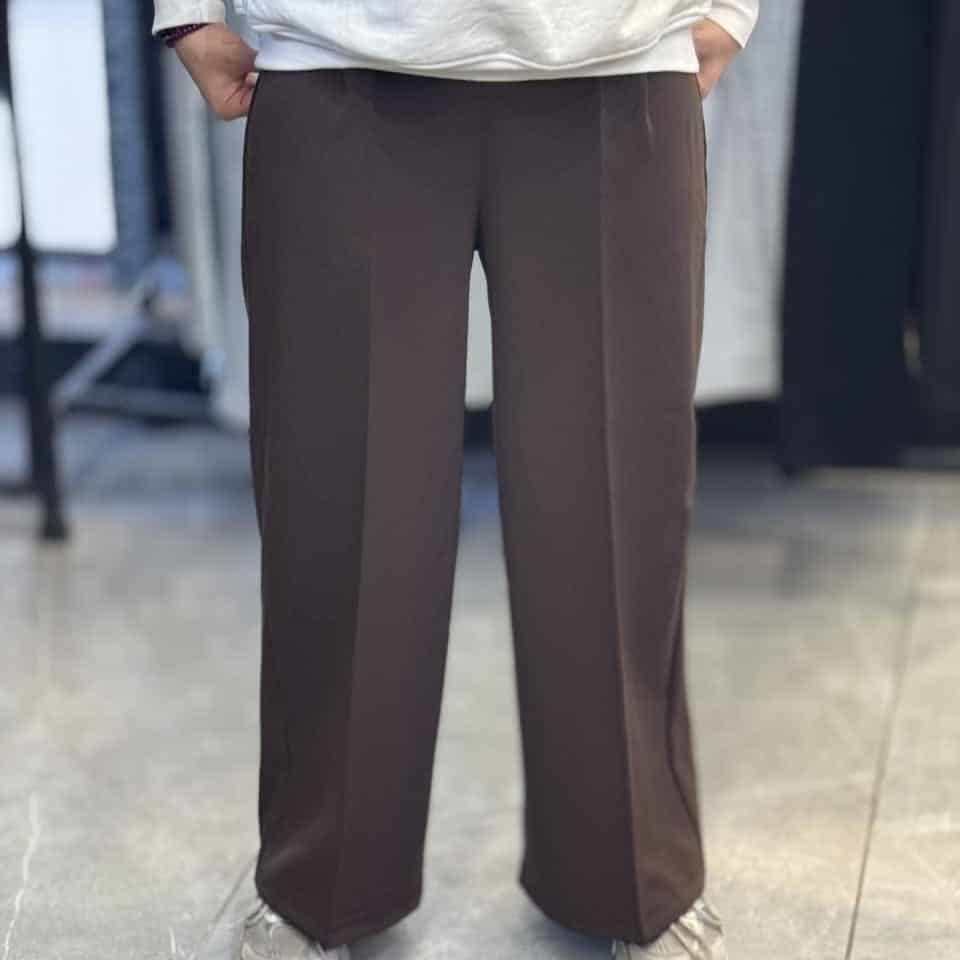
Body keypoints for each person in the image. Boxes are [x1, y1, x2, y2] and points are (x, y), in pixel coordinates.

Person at [151, 2, 759, 958]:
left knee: (615, 511)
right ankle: (321, 883)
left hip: (618, 58)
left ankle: (633, 878)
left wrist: (733, 7)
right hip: (339, 61)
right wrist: (185, 13)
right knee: (338, 512)